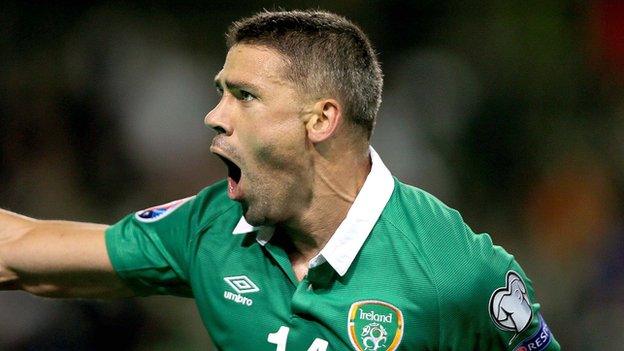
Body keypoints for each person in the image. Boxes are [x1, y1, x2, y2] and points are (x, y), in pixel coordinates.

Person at [0, 9, 559, 351]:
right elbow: (23, 253)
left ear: (320, 119)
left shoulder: (455, 272)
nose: (214, 116)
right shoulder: (213, 224)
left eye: (244, 96)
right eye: (221, 91)